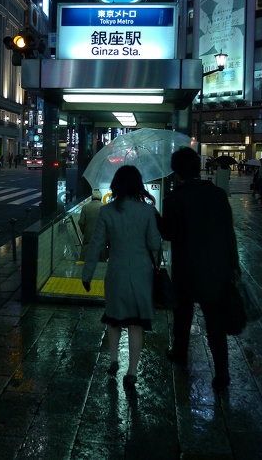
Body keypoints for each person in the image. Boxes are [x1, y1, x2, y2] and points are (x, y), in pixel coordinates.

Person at [157, 147, 241, 391]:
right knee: (215, 321)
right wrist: (233, 264)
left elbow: (169, 233)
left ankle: (180, 353)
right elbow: (229, 233)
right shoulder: (217, 195)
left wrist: (156, 215)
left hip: (187, 269)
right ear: (198, 168)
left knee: (182, 315)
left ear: (176, 171)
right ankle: (222, 370)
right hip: (217, 269)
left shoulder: (175, 198)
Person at [81, 165, 162, 389]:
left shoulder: (107, 211)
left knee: (113, 319)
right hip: (141, 274)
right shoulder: (147, 212)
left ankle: (114, 360)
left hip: (115, 273)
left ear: (116, 185)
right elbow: (155, 244)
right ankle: (132, 372)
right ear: (138, 186)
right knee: (136, 325)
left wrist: (86, 274)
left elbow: (96, 245)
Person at [78, 189, 106, 262]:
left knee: (85, 259)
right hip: (101, 238)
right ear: (101, 198)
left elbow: (81, 222)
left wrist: (85, 231)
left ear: (92, 198)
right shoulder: (105, 208)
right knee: (100, 261)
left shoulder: (85, 207)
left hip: (88, 237)